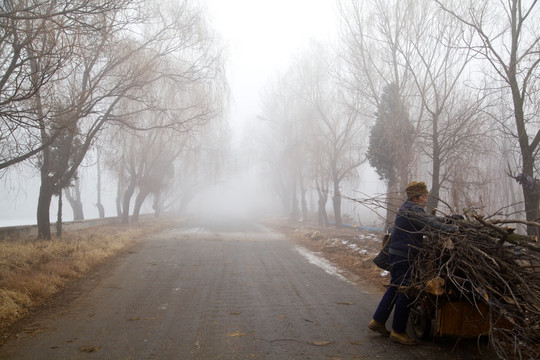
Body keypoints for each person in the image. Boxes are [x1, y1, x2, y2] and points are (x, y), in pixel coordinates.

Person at [367, 181, 458, 345]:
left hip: (397, 255)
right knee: (405, 290)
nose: (426, 198)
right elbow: (430, 223)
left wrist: (447, 220)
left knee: (395, 288)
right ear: (416, 197)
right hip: (405, 255)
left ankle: (378, 321)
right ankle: (398, 331)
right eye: (424, 196)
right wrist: (453, 229)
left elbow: (429, 218)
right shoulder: (413, 209)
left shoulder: (406, 208)